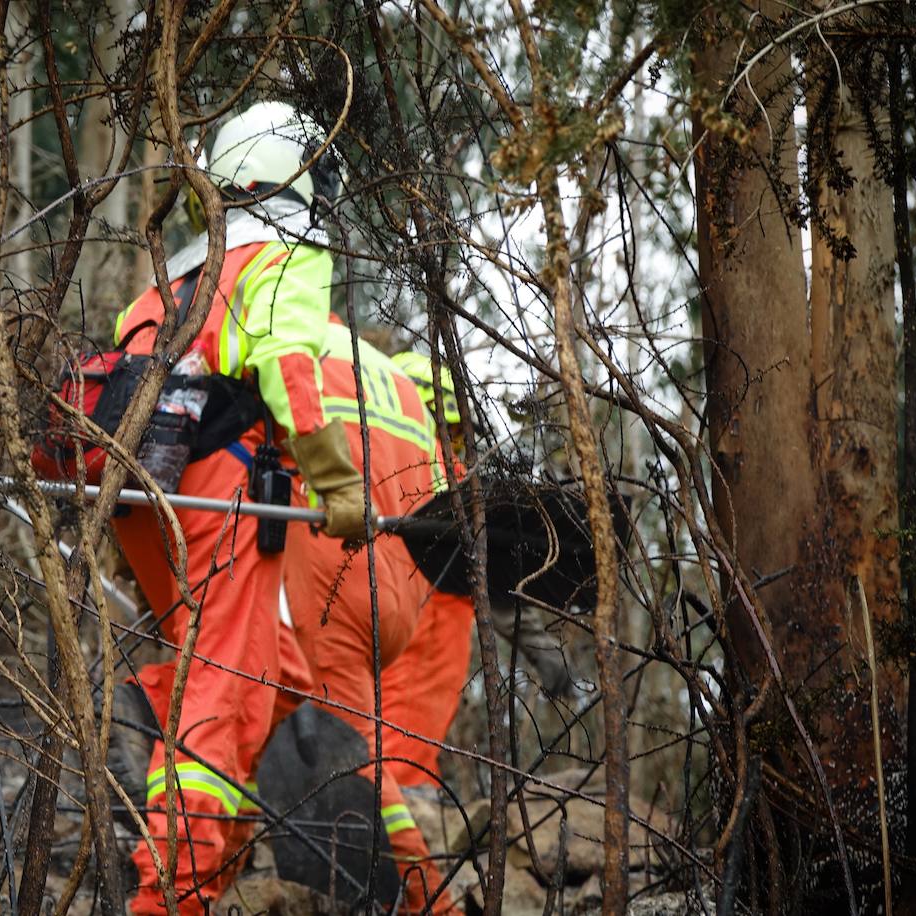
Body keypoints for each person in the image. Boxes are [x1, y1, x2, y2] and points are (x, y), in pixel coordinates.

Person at [107, 100, 370, 915]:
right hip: (215, 493)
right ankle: (171, 898)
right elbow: (292, 367)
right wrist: (338, 483)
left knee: (267, 671)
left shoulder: (173, 279)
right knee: (216, 698)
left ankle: (177, 747)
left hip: (139, 496)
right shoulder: (285, 257)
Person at [279, 323, 464, 915]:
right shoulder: (398, 393)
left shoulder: (298, 349)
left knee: (359, 751)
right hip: (397, 594)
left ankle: (427, 902)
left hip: (335, 579)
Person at [380, 351, 571, 799]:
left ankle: (394, 796)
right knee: (404, 719)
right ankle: (395, 801)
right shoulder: (443, 487)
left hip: (409, 637)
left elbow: (498, 587)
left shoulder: (389, 475)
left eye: (458, 434)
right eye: (451, 430)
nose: (455, 442)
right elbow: (498, 589)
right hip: (419, 638)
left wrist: (546, 655)